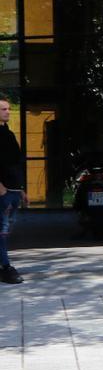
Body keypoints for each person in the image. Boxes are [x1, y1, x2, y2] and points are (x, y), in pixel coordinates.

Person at [0, 96, 25, 285]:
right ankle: (6, 268)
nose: (8, 111)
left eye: (8, 108)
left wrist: (21, 190)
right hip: (4, 192)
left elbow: (15, 163)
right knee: (1, 231)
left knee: (5, 232)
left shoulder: (7, 133)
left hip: (14, 191)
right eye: (3, 109)